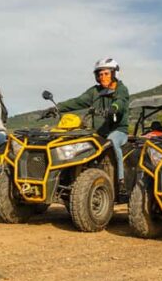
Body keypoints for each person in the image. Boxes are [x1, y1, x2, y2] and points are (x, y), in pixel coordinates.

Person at [54, 58, 130, 195]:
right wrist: (57, 108)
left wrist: (114, 108)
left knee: (112, 141)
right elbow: (78, 101)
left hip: (118, 131)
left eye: (106, 74)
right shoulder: (95, 91)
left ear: (114, 74)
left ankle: (121, 180)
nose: (102, 77)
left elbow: (120, 101)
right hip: (99, 132)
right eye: (100, 74)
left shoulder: (121, 89)